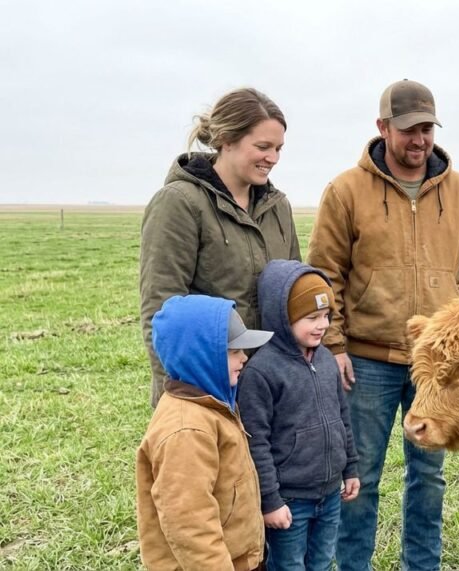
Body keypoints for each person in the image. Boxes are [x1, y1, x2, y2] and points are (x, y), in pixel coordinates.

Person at [306, 79, 459, 571]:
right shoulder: (345, 191)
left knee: (429, 476)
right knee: (360, 476)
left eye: (427, 130)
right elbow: (325, 275)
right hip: (367, 362)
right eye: (409, 130)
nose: (419, 140)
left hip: (435, 367)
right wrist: (333, 345)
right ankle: (352, 565)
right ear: (382, 128)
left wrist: (458, 307)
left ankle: (423, 565)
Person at [140, 87, 302, 408]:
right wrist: (181, 395)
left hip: (269, 386)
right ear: (227, 140)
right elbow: (161, 309)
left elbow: (293, 292)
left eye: (279, 148)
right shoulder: (179, 203)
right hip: (207, 386)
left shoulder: (278, 206)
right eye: (262, 146)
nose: (273, 158)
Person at [237, 260, 361, 571]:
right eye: (311, 318)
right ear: (283, 317)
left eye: (326, 316)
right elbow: (257, 443)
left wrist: (350, 469)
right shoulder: (261, 372)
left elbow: (342, 418)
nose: (321, 325)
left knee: (320, 563)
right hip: (290, 501)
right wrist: (271, 501)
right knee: (288, 565)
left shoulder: (328, 361)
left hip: (331, 495)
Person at [136, 294, 273, 570]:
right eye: (234, 351)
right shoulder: (187, 429)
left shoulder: (213, 404)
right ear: (201, 355)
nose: (244, 358)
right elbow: (191, 526)